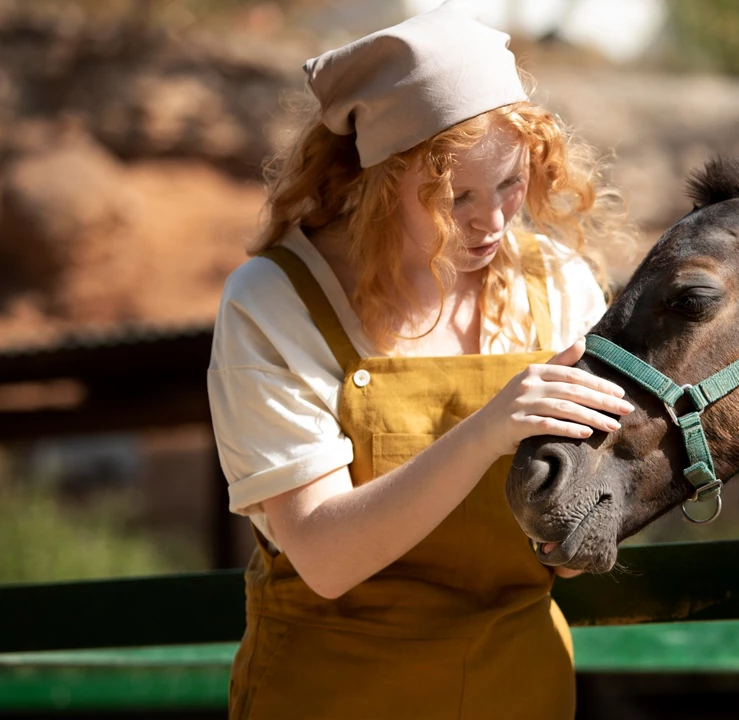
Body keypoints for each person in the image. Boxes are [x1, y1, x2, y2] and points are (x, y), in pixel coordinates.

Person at [206, 4, 635, 717]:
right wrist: (489, 429)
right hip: (332, 693)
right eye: (453, 196)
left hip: (519, 686)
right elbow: (325, 555)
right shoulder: (274, 302)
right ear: (378, 185)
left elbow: (593, 516)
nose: (491, 221)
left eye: (509, 184)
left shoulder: (558, 285)